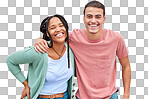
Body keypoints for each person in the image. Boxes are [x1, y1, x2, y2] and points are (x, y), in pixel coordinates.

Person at [34, 1, 131, 99]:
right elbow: (56, 36)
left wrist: (126, 94)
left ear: (104, 19)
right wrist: (40, 40)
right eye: (89, 16)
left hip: (110, 96)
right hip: (82, 97)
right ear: (83, 19)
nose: (93, 20)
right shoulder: (73, 37)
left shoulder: (116, 39)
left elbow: (126, 66)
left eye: (98, 17)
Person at [6, 14, 76, 99]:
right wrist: (25, 84)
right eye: (52, 27)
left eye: (61, 26)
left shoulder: (71, 49)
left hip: (65, 96)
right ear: (47, 33)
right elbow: (10, 60)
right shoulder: (39, 51)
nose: (58, 29)